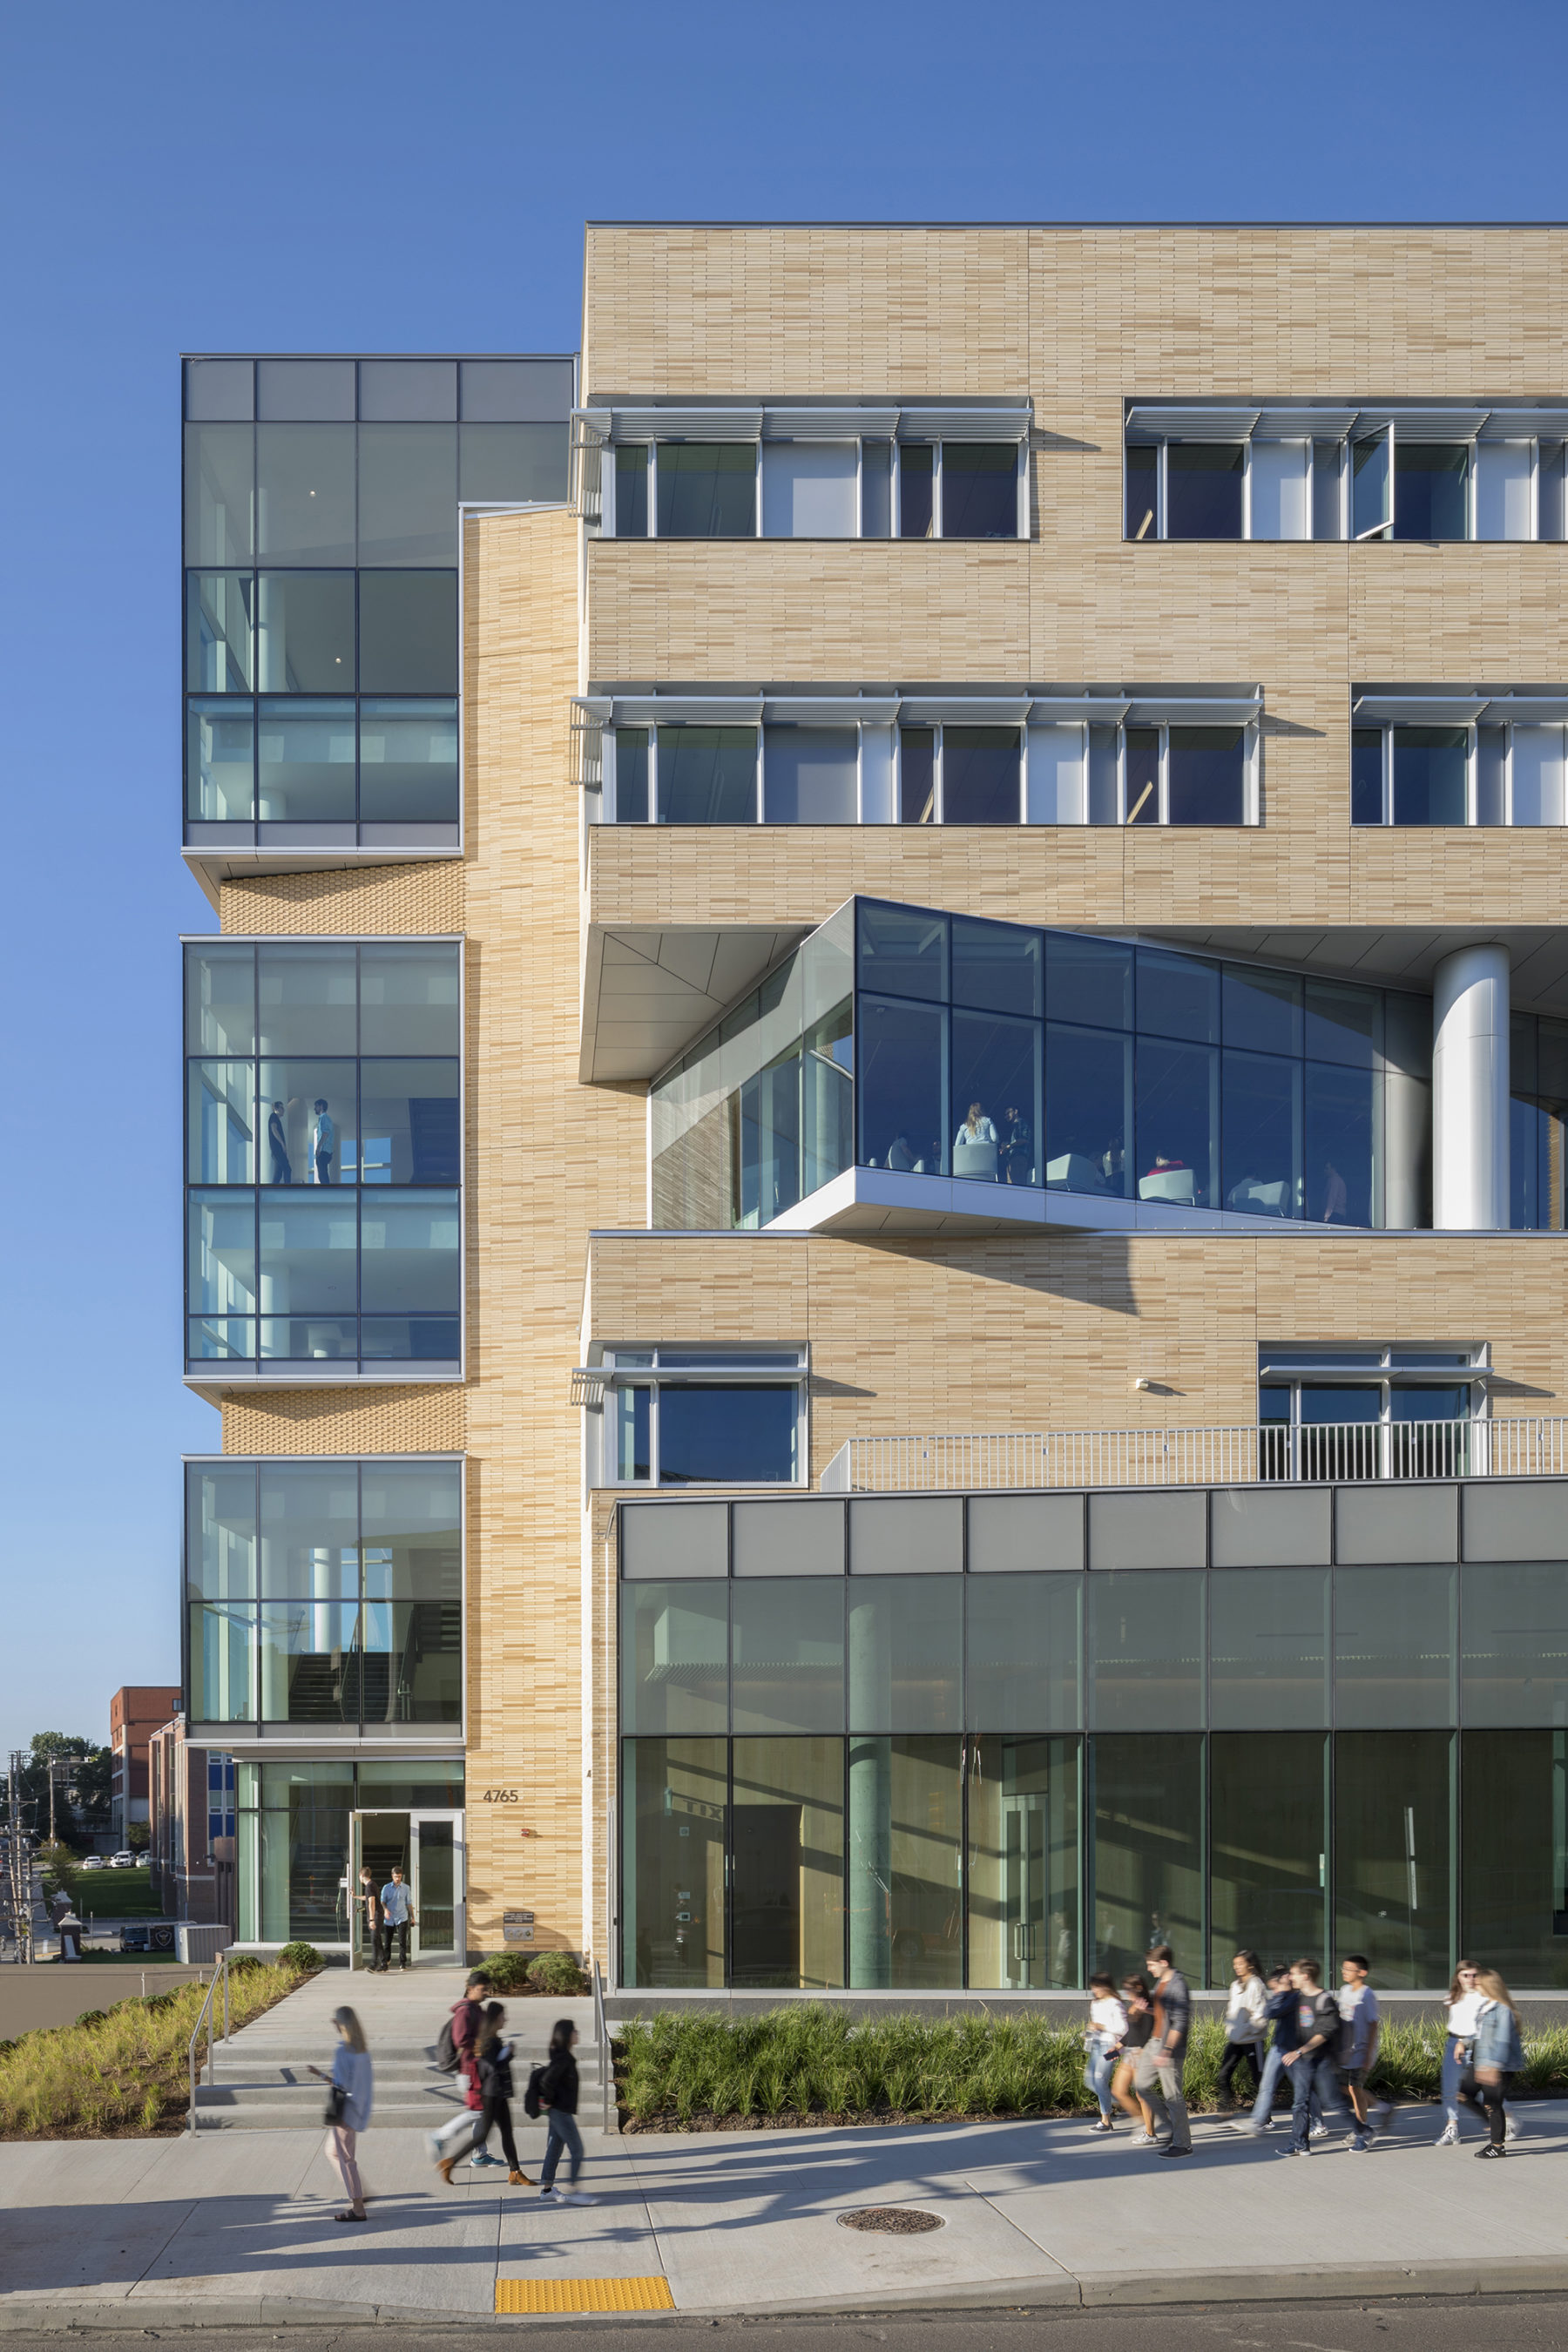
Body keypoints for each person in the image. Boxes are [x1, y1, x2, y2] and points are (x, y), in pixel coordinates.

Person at [459, 2002, 534, 2186]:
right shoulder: (489, 2041)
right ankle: (450, 2162)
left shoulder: (493, 2038)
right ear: (495, 2019)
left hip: (498, 2093)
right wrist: (509, 2054)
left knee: (507, 2133)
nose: (505, 2019)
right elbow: (492, 2067)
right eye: (502, 2016)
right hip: (492, 2094)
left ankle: (515, 2172)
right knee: (484, 2135)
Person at [309, 2005, 372, 2222]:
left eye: (335, 2021)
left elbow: (342, 2084)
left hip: (345, 2110)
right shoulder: (362, 2050)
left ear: (342, 2023)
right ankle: (359, 2193)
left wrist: (321, 2076)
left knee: (345, 2158)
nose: (333, 2024)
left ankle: (358, 2206)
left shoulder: (344, 2051)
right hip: (355, 2108)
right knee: (333, 2152)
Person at [1460, 1968, 1525, 2159]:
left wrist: (1492, 2067)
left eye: (1478, 1982)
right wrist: (1462, 2044)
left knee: (1492, 2105)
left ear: (1488, 1986)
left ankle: (1497, 2146)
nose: (1474, 1984)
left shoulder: (1502, 2010)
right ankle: (1493, 2124)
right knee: (1462, 2094)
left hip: (1497, 2066)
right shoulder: (1483, 2007)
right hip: (1479, 2061)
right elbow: (1475, 2032)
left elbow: (1503, 2040)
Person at [1279, 1959, 1342, 2157]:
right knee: (1300, 2103)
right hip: (1304, 2060)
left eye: (1294, 1973)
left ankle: (1363, 2130)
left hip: (1319, 2059)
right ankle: (1300, 2144)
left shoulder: (1323, 1999)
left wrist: (1299, 2051)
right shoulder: (1300, 1998)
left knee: (1334, 2102)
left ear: (1305, 1975)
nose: (1291, 1977)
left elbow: (1325, 2032)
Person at [428, 1973, 490, 2169]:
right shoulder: (465, 2011)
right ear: (470, 1988)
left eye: (487, 1989)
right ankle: (440, 2136)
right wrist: (482, 2043)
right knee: (476, 2112)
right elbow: (460, 2039)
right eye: (482, 1989)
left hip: (475, 2068)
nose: (486, 1993)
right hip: (468, 2069)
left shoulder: (476, 2009)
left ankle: (480, 2155)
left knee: (480, 2113)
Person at [1139, 1943, 1192, 2159]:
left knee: (1173, 2097)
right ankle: (1170, 2125)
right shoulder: (1162, 1981)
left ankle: (1183, 2144)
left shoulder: (1178, 1985)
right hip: (1155, 2042)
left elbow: (1179, 2022)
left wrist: (1167, 2050)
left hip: (1169, 2047)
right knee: (1141, 2085)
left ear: (1164, 1963)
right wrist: (1148, 2010)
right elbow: (1163, 2013)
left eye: (1152, 1965)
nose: (1149, 1969)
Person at [537, 2017, 598, 2205]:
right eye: (574, 2031)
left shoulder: (562, 2055)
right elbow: (546, 2081)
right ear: (566, 2035)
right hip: (560, 2112)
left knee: (554, 2149)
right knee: (577, 2150)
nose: (577, 2034)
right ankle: (575, 2190)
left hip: (559, 2111)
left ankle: (547, 2190)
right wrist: (547, 2101)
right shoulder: (563, 2058)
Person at [1336, 1953, 1384, 2150]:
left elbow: (1373, 2024)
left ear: (1361, 1972)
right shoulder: (1344, 1990)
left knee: (1355, 2090)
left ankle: (1362, 2132)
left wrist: (1368, 2053)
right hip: (1344, 2051)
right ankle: (1381, 2109)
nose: (1344, 1972)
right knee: (1343, 2087)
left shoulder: (1367, 1994)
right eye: (1343, 1968)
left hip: (1361, 2051)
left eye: (1349, 1969)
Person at [1216, 1950, 1268, 2112]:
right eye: (1235, 1964)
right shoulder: (1234, 1986)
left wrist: (1245, 2029)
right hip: (1236, 2040)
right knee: (1223, 2075)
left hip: (1253, 2040)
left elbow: (1261, 2015)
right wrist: (1231, 2029)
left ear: (1250, 1965)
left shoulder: (1256, 1984)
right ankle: (1226, 2111)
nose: (1236, 1967)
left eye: (1240, 1964)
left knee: (1259, 2079)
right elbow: (1232, 2011)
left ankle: (1265, 2118)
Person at [1438, 1959, 1484, 2146]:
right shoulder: (1453, 1996)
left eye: (1474, 1975)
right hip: (1453, 2043)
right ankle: (1452, 2129)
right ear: (1458, 1976)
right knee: (1449, 2089)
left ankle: (1509, 2119)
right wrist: (1458, 2041)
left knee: (1486, 2090)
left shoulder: (1484, 1997)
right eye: (1466, 1975)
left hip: (1477, 2046)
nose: (1470, 1979)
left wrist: (1465, 2042)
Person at [1083, 1973, 1127, 2132]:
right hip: (1096, 2045)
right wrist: (1091, 2031)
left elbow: (1123, 2029)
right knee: (1090, 2081)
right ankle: (1120, 2102)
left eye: (1097, 1987)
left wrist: (1103, 2026)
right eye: (1093, 1987)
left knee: (1100, 2080)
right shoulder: (1095, 2003)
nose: (1094, 1990)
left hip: (1111, 2047)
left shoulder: (1115, 2004)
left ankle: (1106, 2121)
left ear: (1106, 1986)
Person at [379, 1863, 414, 1970]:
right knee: (387, 1942)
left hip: (402, 1917)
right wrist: (385, 1910)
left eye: (399, 1877)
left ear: (401, 1876)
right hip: (389, 1918)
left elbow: (409, 1903)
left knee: (402, 1941)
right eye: (395, 1877)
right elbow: (382, 1901)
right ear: (392, 1876)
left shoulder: (406, 1888)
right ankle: (387, 1961)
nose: (397, 1879)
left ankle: (402, 1963)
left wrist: (413, 1917)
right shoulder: (386, 1888)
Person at [358, 1866, 384, 1972]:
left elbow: (371, 1902)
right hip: (377, 1915)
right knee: (377, 1939)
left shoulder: (369, 1886)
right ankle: (384, 1963)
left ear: (362, 1876)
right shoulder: (372, 1884)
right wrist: (355, 1897)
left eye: (359, 1876)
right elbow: (367, 1897)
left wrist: (372, 1920)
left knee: (374, 1940)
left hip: (376, 1916)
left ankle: (373, 1964)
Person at [1000, 1103, 1032, 1186]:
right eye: (1005, 1114)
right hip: (1012, 1159)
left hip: (1019, 1157)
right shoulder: (1013, 1127)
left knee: (1018, 1184)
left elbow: (1024, 1140)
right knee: (1012, 1184)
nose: (1006, 1116)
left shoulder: (1020, 1122)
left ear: (1016, 1111)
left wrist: (1008, 1146)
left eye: (1008, 1113)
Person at [267, 1100, 292, 1185]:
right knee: (287, 1169)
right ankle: (287, 1190)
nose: (283, 1109)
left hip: (277, 1150)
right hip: (277, 1149)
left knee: (278, 1173)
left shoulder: (275, 1118)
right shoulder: (273, 1116)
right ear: (276, 1109)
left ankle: (273, 1190)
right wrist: (282, 1144)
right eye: (281, 1107)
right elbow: (274, 1129)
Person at [312, 1098, 335, 1185]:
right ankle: (326, 1188)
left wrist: (318, 1147)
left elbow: (325, 1133)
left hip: (324, 1150)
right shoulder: (326, 1118)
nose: (315, 1108)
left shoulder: (323, 1117)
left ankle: (326, 1190)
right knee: (322, 1172)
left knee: (322, 1173)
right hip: (327, 1150)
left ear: (321, 1106)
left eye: (316, 1106)